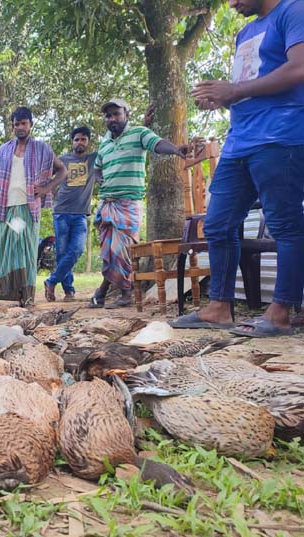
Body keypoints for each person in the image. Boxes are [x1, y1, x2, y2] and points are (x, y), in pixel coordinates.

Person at [171, 0, 304, 337]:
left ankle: (280, 312)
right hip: (239, 141)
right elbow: (248, 85)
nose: (231, 4)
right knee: (217, 223)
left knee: (285, 224)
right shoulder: (245, 32)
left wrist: (234, 90)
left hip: (281, 135)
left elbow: (298, 68)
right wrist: (221, 97)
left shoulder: (293, 10)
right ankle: (219, 307)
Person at [89, 98, 192, 309]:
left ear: (126, 114)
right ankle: (108, 292)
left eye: (116, 113)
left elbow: (157, 144)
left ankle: (120, 292)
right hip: (107, 203)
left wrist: (176, 150)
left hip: (128, 203)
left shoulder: (139, 133)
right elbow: (97, 166)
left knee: (123, 248)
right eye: (108, 115)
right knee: (109, 250)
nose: (112, 118)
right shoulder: (105, 143)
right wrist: (99, 177)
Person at [0, 106, 67, 307]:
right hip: (6, 208)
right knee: (2, 249)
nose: (20, 127)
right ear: (12, 126)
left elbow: (62, 171)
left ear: (30, 124)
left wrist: (47, 187)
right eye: (16, 124)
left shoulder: (42, 148)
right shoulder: (4, 149)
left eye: (23, 123)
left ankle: (27, 297)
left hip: (28, 208)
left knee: (25, 250)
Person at [43, 126, 98, 302]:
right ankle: (69, 291)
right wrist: (49, 191)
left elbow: (111, 142)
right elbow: (47, 177)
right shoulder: (63, 159)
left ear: (88, 142)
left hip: (81, 214)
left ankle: (51, 281)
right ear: (72, 142)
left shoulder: (93, 159)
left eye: (83, 139)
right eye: (76, 139)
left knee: (76, 249)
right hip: (61, 212)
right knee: (61, 253)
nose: (80, 142)